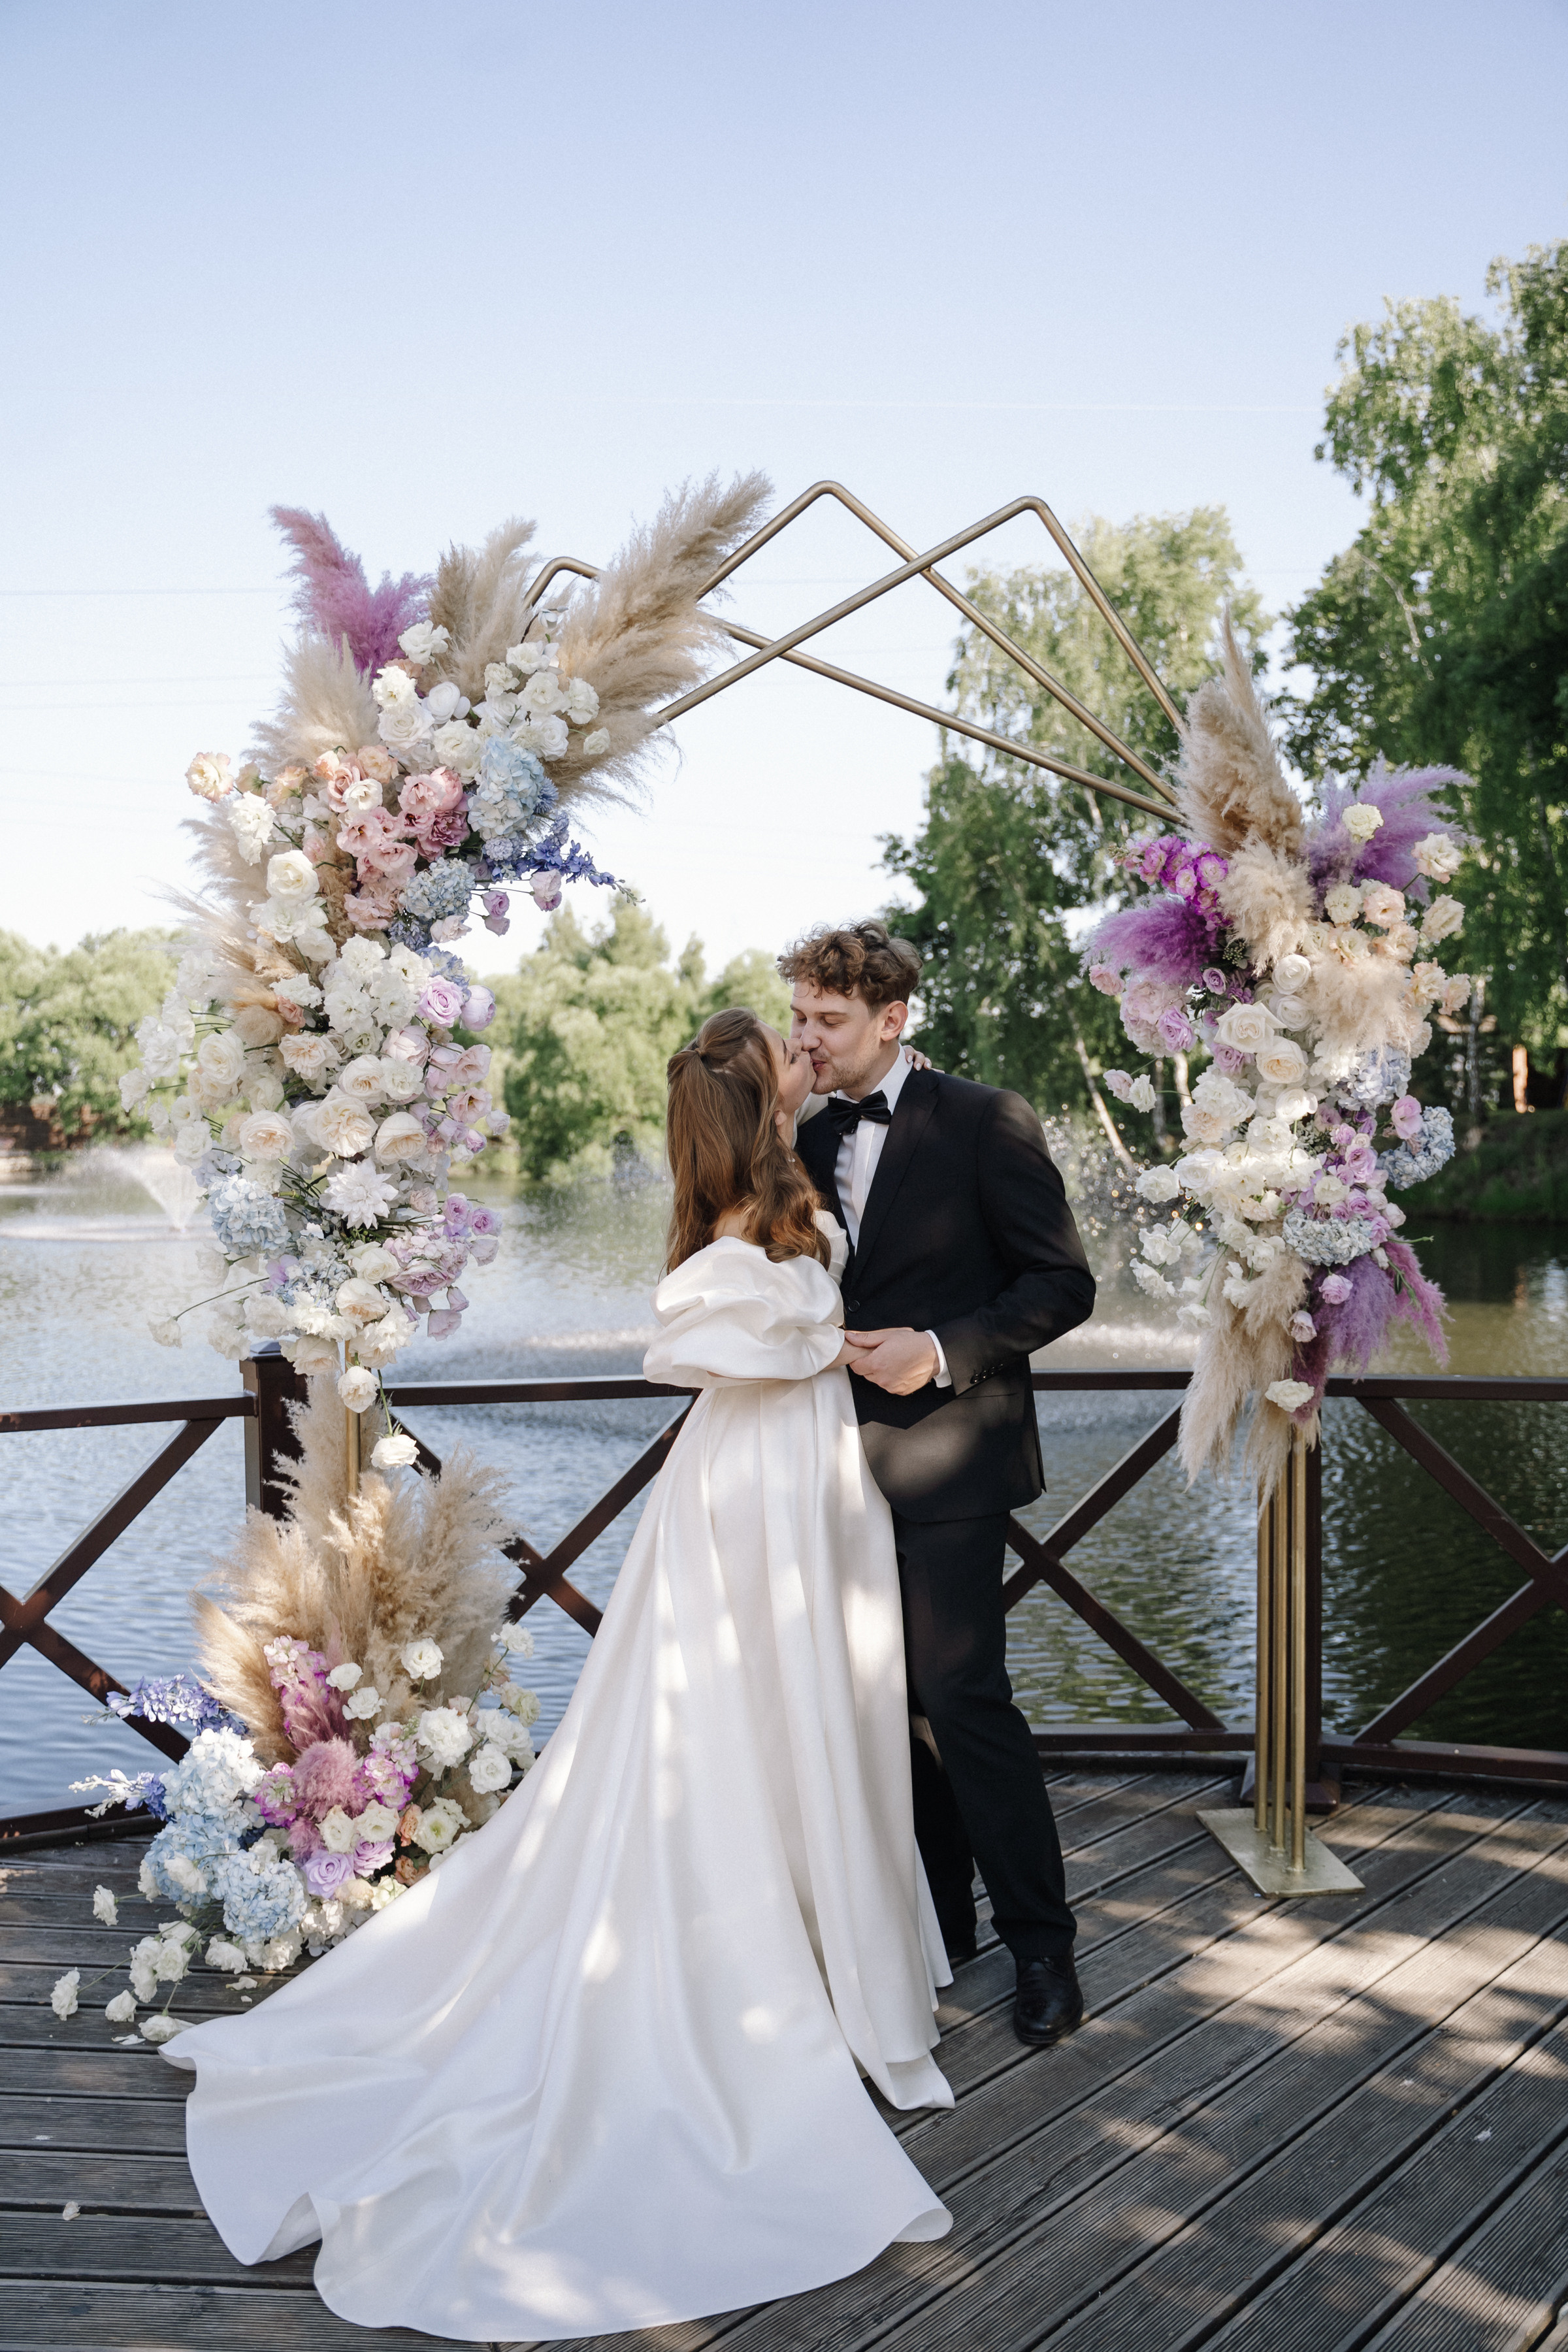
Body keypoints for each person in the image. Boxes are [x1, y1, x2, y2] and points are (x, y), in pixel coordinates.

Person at [163, 1007, 954, 2344]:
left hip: (811, 1488)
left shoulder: (790, 1186)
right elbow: (684, 1346)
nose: (800, 1078)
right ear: (751, 1105)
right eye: (781, 1071)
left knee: (826, 1714)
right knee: (743, 1725)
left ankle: (834, 1960)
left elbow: (798, 1218)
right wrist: (823, 1348)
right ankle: (758, 1970)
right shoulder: (719, 1244)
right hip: (750, 1497)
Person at [786, 921, 1096, 2048]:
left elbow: (1063, 1286)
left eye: (828, 1021)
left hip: (955, 1454)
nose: (807, 1039)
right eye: (799, 1018)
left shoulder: (985, 1120)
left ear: (892, 1018)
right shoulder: (796, 1136)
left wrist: (941, 1345)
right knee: (877, 1706)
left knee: (962, 1703)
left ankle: (1044, 1950)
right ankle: (935, 1928)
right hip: (822, 1466)